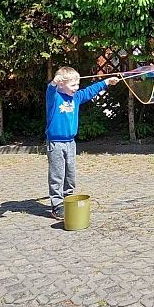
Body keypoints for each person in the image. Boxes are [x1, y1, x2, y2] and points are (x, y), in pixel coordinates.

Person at [46, 67, 119, 221]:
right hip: (56, 144)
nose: (76, 88)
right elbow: (50, 91)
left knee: (70, 174)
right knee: (57, 175)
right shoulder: (54, 97)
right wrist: (53, 83)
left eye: (77, 84)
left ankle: (68, 200)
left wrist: (106, 82)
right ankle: (57, 206)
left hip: (71, 143)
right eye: (73, 85)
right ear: (61, 84)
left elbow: (90, 91)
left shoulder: (76, 97)